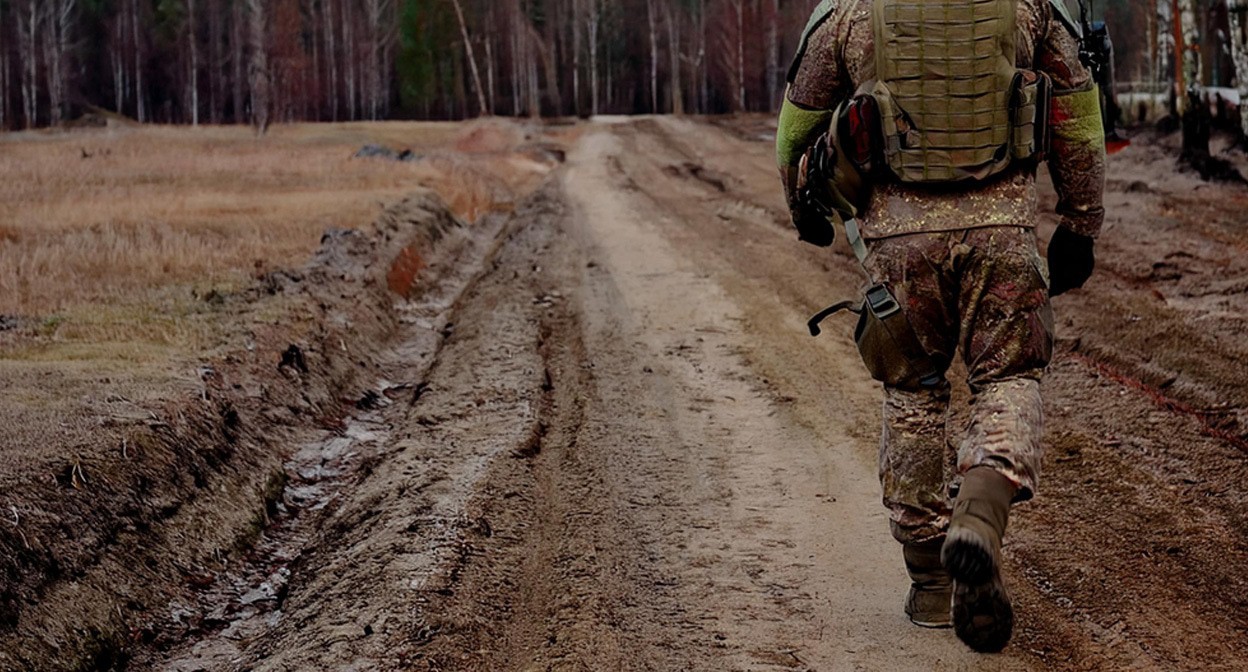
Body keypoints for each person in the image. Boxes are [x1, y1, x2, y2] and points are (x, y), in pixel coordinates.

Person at [776, 0, 1106, 653]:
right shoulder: (1034, 5)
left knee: (913, 391)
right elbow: (1078, 113)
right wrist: (1081, 221)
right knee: (1009, 377)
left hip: (898, 242)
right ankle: (979, 516)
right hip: (1002, 232)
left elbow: (798, 125)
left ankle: (930, 581)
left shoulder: (847, 9)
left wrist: (801, 205)